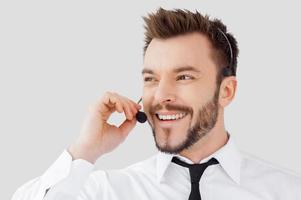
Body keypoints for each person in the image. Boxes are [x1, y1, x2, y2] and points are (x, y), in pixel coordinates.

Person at [12, 7, 301, 200]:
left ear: (226, 91)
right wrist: (85, 150)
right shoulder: (105, 191)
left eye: (184, 76)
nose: (161, 96)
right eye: (151, 79)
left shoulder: (288, 192)